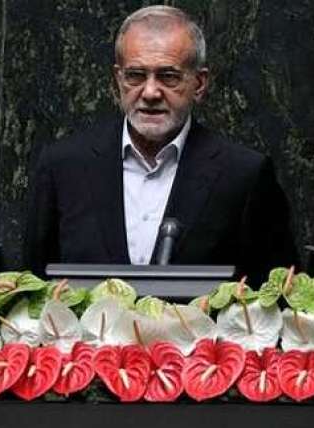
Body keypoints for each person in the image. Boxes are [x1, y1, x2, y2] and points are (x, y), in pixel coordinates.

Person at [24, 5, 297, 286]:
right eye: (135, 75)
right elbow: (32, 288)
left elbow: (277, 291)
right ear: (118, 80)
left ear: (199, 84)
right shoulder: (63, 165)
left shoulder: (243, 174)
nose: (151, 92)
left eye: (168, 77)